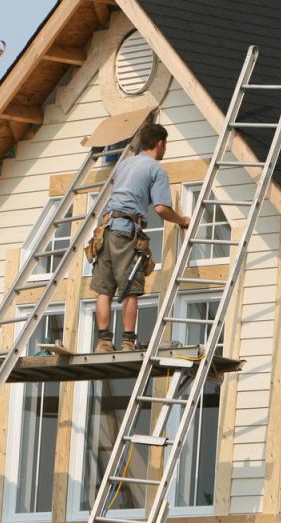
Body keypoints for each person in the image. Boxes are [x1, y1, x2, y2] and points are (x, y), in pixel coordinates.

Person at [91, 123, 190, 353]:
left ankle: (103, 343)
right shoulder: (156, 170)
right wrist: (183, 220)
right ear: (161, 143)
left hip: (105, 229)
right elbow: (162, 209)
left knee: (104, 289)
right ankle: (127, 343)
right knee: (130, 288)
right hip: (125, 231)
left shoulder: (124, 165)